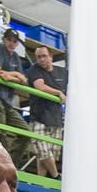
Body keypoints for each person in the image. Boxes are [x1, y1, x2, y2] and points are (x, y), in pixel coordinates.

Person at [24, 44, 68, 178]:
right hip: (39, 117)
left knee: (48, 155)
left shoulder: (63, 72)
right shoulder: (34, 69)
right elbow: (40, 86)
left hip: (56, 119)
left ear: (51, 57)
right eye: (38, 57)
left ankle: (41, 182)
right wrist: (58, 93)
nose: (41, 59)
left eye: (44, 56)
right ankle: (56, 176)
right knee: (42, 151)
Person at [0, 27, 32, 168]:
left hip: (8, 101)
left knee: (26, 132)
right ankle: (1, 164)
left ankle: (10, 164)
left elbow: (24, 80)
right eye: (9, 40)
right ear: (4, 39)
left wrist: (13, 76)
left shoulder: (15, 57)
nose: (12, 43)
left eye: (15, 41)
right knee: (1, 132)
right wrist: (17, 74)